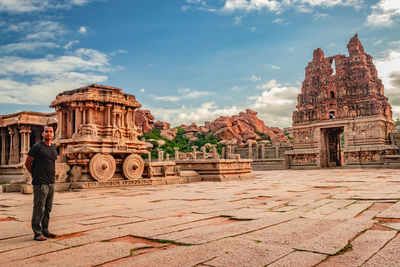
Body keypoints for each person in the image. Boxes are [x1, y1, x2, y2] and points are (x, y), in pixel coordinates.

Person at [25, 125, 58, 241]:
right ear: (42, 134)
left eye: (50, 132)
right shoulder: (37, 147)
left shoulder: (54, 148)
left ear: (53, 134)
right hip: (40, 182)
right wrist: (34, 174)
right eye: (46, 132)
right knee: (39, 207)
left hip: (51, 182)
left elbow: (51, 163)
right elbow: (28, 163)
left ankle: (45, 230)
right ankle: (37, 233)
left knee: (48, 208)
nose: (49, 134)